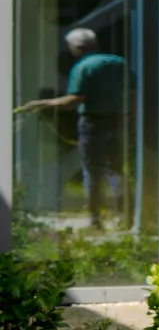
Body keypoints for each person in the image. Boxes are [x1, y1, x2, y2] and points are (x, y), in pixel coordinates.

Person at [20, 28, 128, 229]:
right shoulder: (119, 62)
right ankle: (125, 215)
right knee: (117, 170)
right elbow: (134, 92)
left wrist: (42, 104)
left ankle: (95, 220)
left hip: (93, 123)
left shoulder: (83, 67)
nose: (70, 50)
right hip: (120, 121)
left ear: (78, 47)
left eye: (71, 46)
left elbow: (73, 100)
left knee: (93, 172)